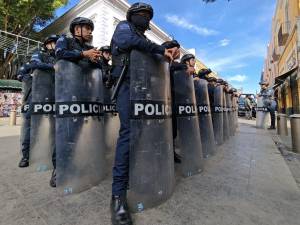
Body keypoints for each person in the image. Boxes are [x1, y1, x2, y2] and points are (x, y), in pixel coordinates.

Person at [110, 2, 177, 225]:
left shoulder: (145, 40)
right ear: (131, 16)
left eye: (148, 15)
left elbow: (153, 55)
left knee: (143, 136)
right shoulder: (123, 28)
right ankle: (118, 196)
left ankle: (138, 175)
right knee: (128, 134)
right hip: (125, 87)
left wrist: (168, 51)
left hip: (144, 90)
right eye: (140, 14)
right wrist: (159, 48)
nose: (144, 17)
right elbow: (125, 42)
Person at [17, 62, 33, 168]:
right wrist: (30, 76)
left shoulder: (53, 60)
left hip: (47, 99)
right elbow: (20, 75)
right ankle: (25, 156)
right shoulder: (29, 65)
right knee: (28, 128)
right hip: (30, 101)